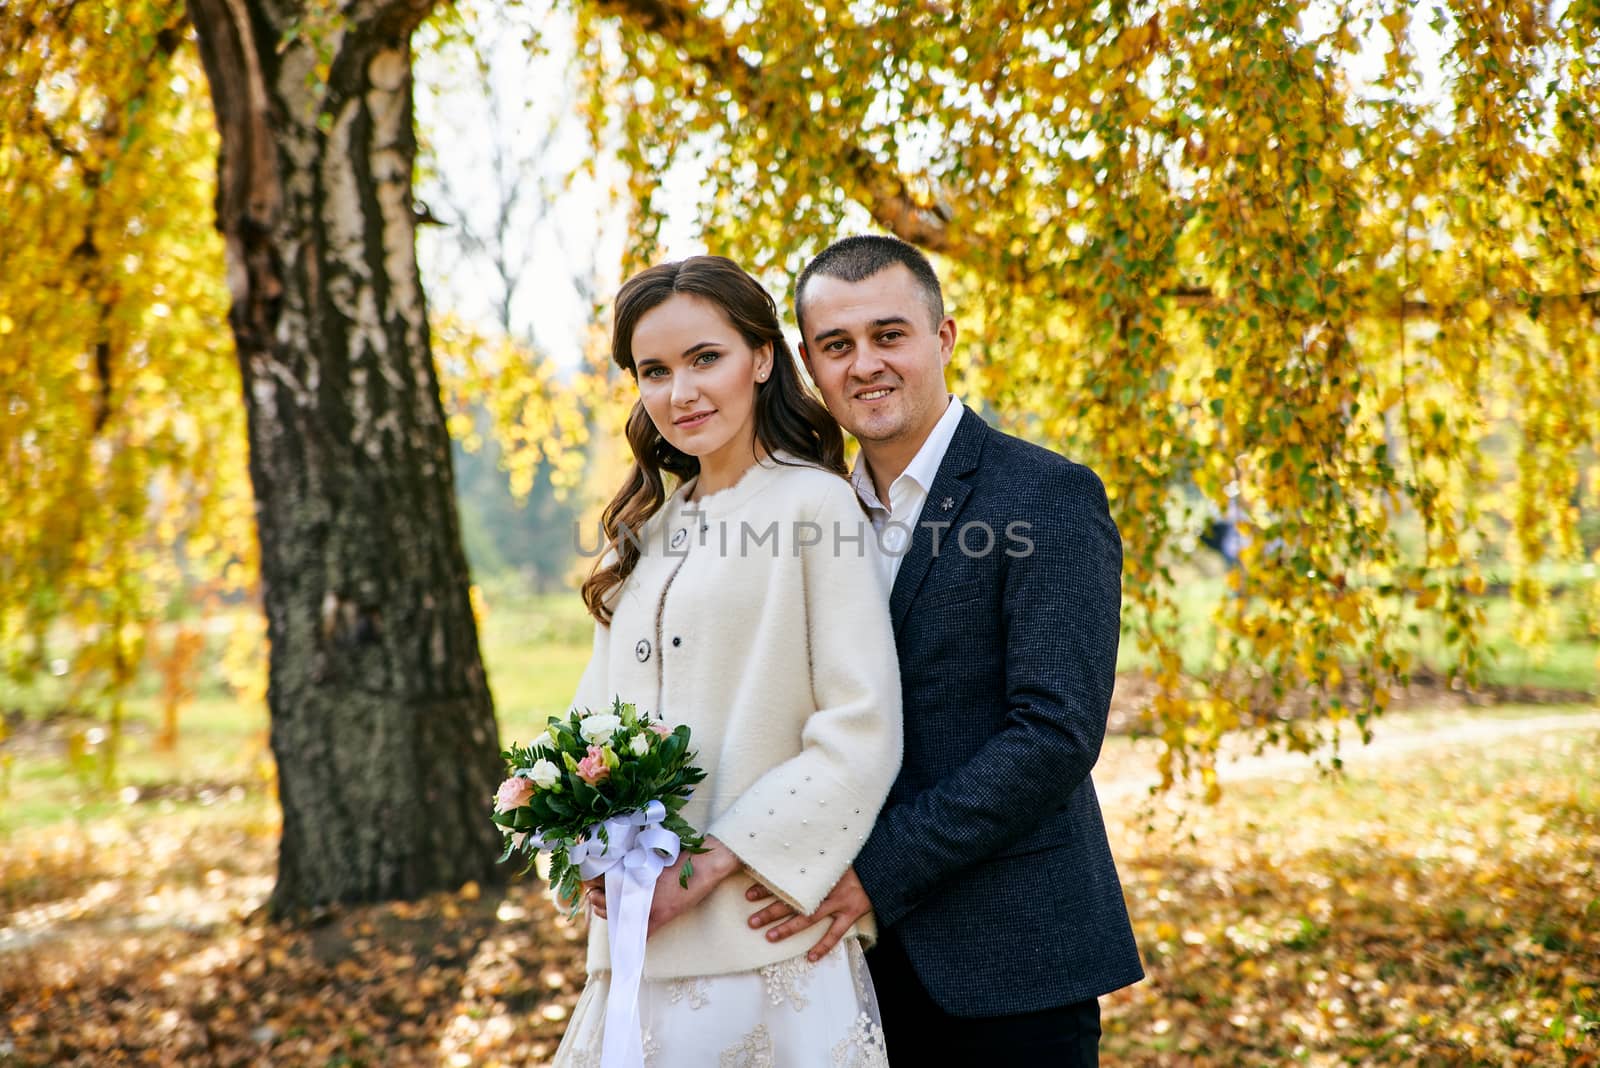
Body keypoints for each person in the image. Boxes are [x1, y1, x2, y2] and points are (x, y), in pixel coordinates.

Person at [746, 235, 1144, 1064]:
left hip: (1011, 963)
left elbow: (1053, 735)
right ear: (811, 367)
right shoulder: (809, 514)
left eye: (889, 335)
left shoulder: (1046, 496)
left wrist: (877, 876)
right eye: (836, 345)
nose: (865, 365)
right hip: (837, 975)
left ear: (944, 339)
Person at [553, 255, 901, 1067]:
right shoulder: (642, 531)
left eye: (706, 358)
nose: (682, 392)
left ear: (764, 358)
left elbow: (861, 725)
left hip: (764, 942)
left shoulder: (815, 506)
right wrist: (584, 847)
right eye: (655, 371)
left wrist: (708, 865)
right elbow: (589, 727)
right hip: (636, 953)